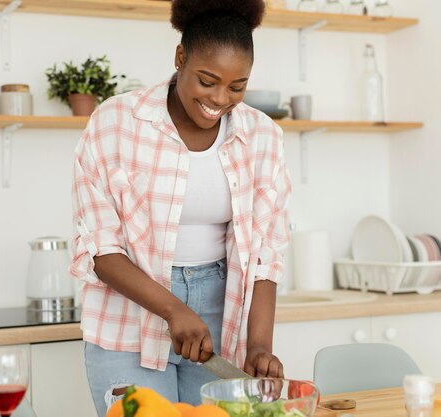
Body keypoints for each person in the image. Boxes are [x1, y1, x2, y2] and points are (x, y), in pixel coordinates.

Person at [70, 0, 292, 415]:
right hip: (128, 318)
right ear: (180, 58)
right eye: (207, 81)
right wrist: (174, 309)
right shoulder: (115, 123)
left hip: (219, 316)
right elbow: (101, 249)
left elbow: (266, 257)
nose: (220, 99)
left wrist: (260, 347)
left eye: (236, 86)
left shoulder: (264, 137)